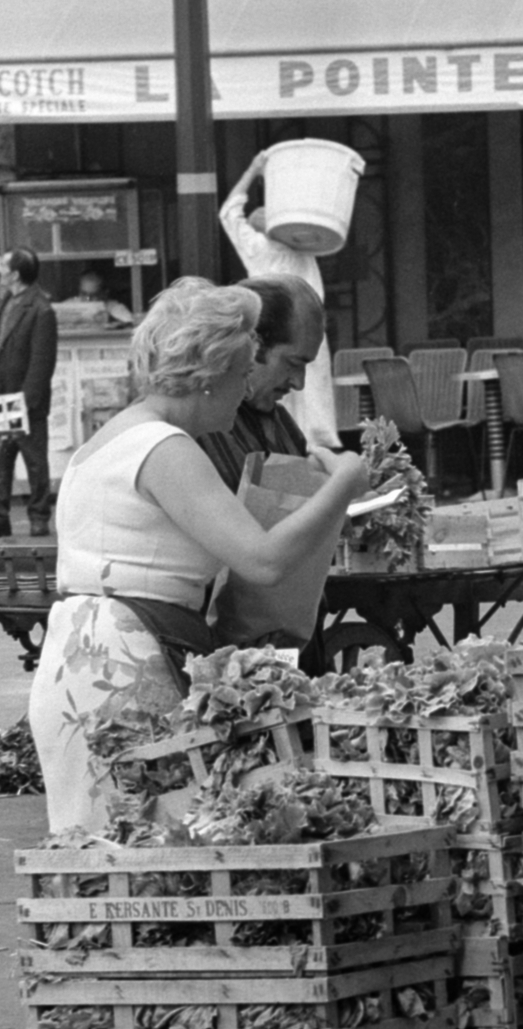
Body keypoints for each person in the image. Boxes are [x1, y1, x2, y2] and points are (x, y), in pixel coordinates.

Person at [27, 277, 369, 833]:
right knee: (152, 840)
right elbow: (262, 561)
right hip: (124, 668)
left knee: (107, 842)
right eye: (241, 373)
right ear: (209, 376)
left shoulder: (120, 434)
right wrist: (344, 484)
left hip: (92, 659)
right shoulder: (166, 449)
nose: (245, 389)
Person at [219, 150, 340, 449]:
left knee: (295, 395)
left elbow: (230, 212)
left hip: (289, 330)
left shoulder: (268, 248)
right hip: (296, 328)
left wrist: (252, 169)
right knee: (306, 400)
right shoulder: (288, 248)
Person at [199, 276, 325, 490]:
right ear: (251, 345)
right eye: (293, 363)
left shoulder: (283, 426)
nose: (299, 383)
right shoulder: (192, 427)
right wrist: (344, 479)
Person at [0, 248, 58, 538]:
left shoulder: (41, 309)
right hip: (0, 396)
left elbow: (42, 363)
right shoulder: (7, 300)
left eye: (3, 267)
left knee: (34, 462)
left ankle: (39, 516)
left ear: (15, 274)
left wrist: (26, 401)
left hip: (26, 401)